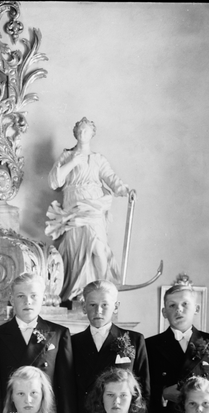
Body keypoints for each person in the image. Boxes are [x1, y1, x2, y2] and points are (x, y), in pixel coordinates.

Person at [45, 118, 135, 304]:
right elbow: (54, 181)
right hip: (73, 208)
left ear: (92, 134)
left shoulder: (98, 159)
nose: (82, 133)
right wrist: (72, 162)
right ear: (75, 133)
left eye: (86, 131)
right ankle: (78, 293)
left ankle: (102, 289)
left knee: (99, 249)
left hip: (94, 207)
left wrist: (126, 191)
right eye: (79, 130)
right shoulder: (67, 156)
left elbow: (111, 179)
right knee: (76, 252)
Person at [0, 272, 75, 413]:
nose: (27, 301)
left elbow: (66, 389)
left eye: (33, 296)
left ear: (43, 299)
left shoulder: (59, 334)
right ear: (11, 299)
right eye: (21, 296)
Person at [146, 275, 209, 413]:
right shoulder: (150, 345)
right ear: (164, 312)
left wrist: (206, 396)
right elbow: (143, 388)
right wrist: (163, 393)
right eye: (172, 305)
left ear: (196, 309)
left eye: (185, 304)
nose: (179, 310)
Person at [69, 280, 150, 413]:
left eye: (105, 305)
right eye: (92, 305)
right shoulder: (73, 342)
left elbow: (144, 388)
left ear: (116, 307)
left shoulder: (134, 340)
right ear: (84, 307)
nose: (98, 311)